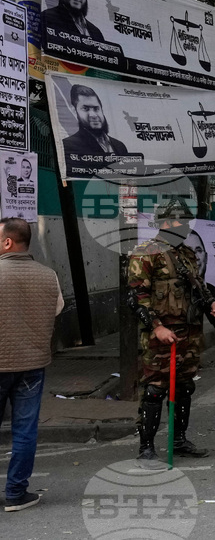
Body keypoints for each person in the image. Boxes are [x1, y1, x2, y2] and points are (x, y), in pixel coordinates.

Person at [128, 200, 215, 468]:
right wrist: (156, 327)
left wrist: (210, 303)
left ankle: (179, 440)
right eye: (176, 222)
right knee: (156, 389)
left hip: (188, 333)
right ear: (163, 223)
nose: (181, 227)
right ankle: (146, 447)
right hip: (161, 335)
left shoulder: (186, 254)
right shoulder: (145, 253)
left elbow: (198, 285)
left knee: (184, 387)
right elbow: (137, 297)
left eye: (184, 222)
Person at [0, 218, 64, 512]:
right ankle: (15, 493)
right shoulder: (48, 275)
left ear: (7, 242)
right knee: (25, 431)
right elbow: (57, 309)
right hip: (33, 364)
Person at [61, 84, 129, 160]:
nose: (93, 115)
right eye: (85, 108)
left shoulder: (119, 146)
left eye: (96, 108)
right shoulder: (68, 145)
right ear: (74, 111)